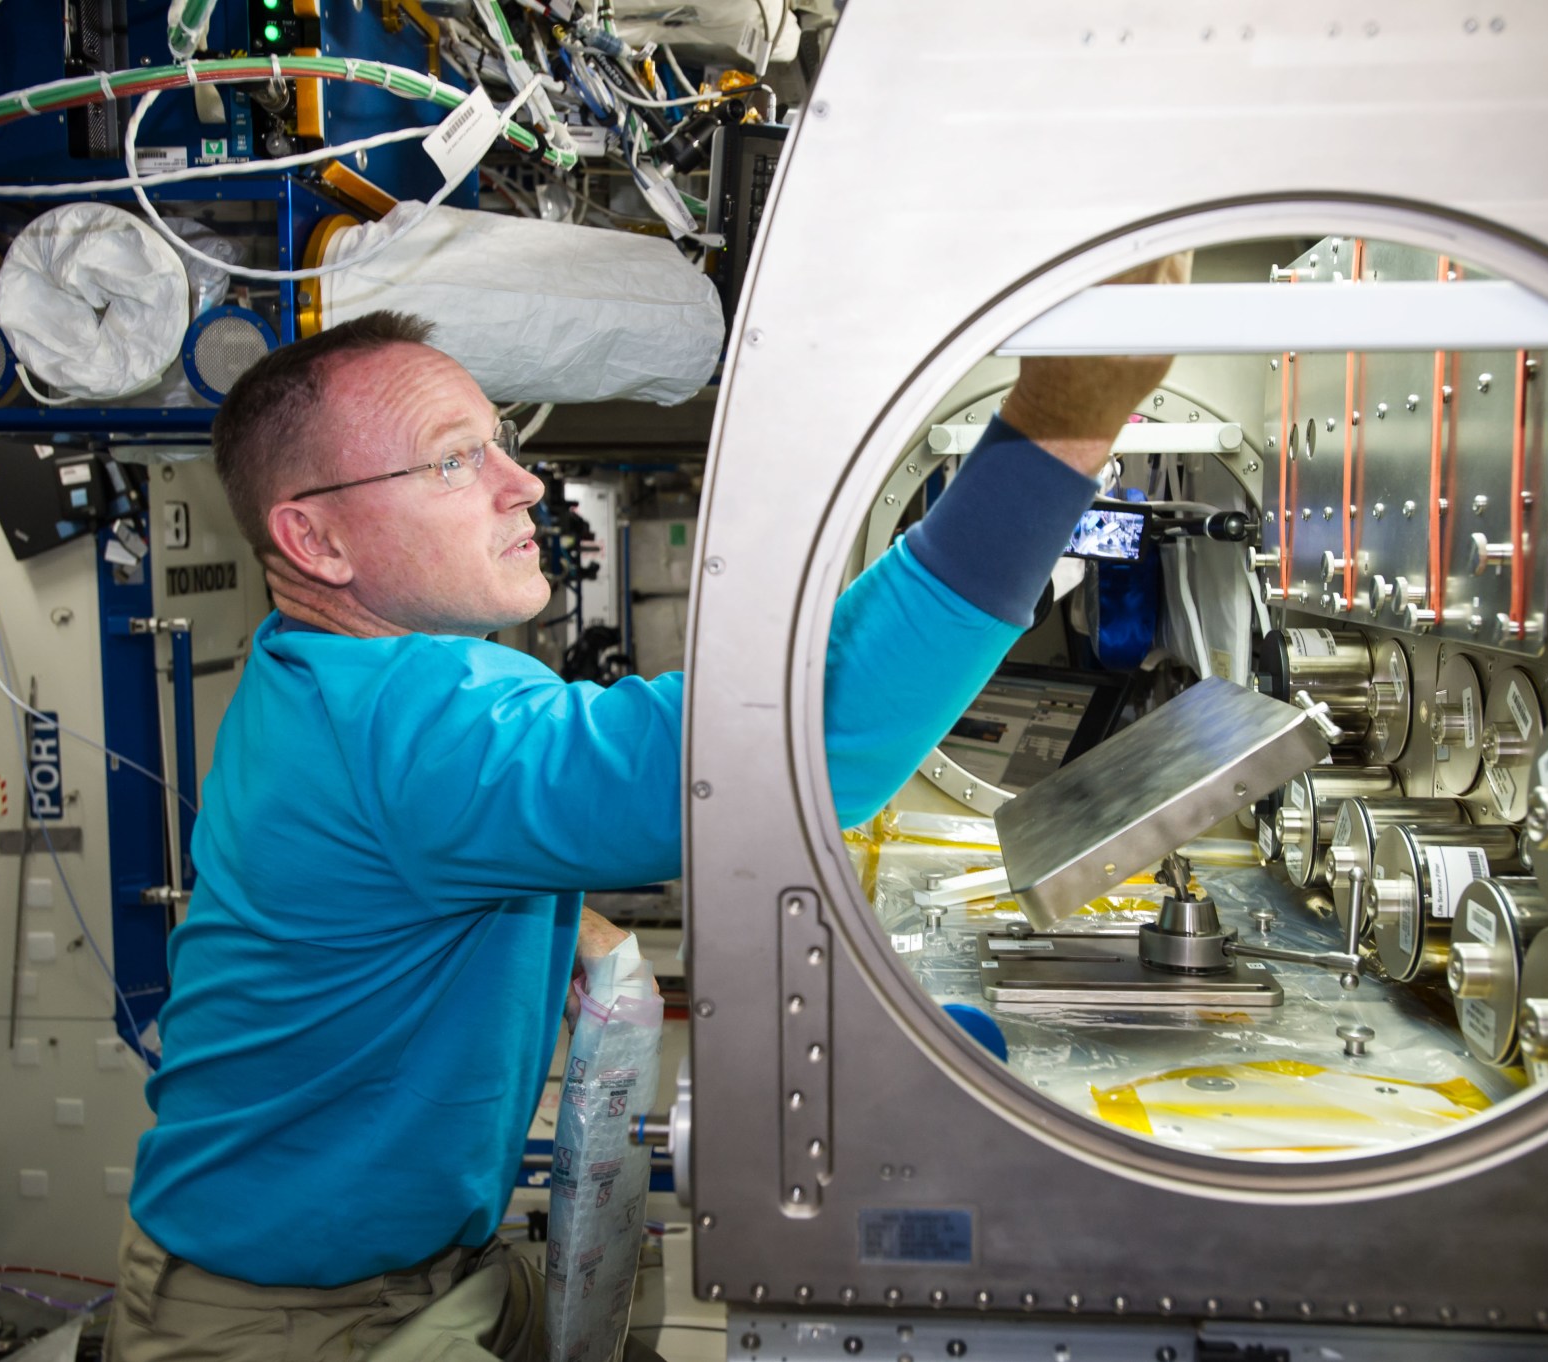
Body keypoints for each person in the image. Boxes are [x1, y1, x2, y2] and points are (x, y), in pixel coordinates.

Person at [111, 257, 1187, 1361]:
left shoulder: (312, 677)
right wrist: (1063, 419)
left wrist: (546, 918)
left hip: (420, 1269)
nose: (519, 483)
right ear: (316, 542)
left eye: (497, 438)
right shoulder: (416, 722)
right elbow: (815, 734)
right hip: (292, 1325)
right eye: (450, 462)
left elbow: (368, 870)